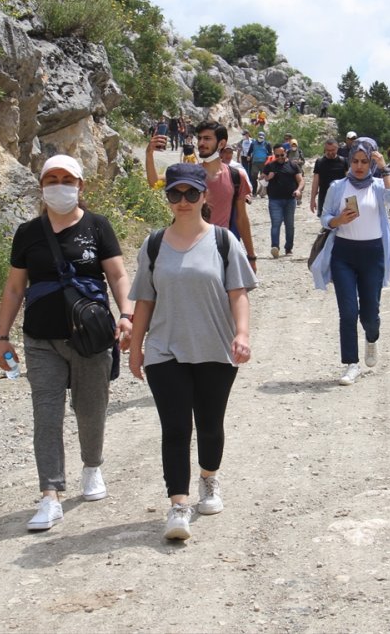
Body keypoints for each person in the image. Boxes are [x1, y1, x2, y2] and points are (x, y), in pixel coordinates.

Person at [0, 154, 134, 532]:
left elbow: (118, 275)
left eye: (66, 179)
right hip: (41, 339)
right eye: (51, 178)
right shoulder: (28, 233)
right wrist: (1, 336)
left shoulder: (97, 226)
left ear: (80, 185)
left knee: (90, 409)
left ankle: (92, 467)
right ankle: (50, 494)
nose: (59, 185)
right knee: (47, 415)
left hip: (90, 338)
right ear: (41, 186)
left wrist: (126, 315)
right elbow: (14, 287)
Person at [128, 163, 257, 541]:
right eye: (174, 194)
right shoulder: (153, 245)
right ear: (167, 197)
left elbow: (239, 294)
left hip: (215, 347)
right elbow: (144, 303)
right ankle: (178, 506)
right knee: (176, 427)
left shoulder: (223, 241)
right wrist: (136, 349)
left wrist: (243, 334)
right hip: (165, 350)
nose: (182, 201)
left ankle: (209, 479)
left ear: (204, 197)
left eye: (190, 194)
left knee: (210, 424)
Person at [309, 138, 390, 386]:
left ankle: (372, 338)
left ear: (371, 162)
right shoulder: (338, 186)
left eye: (365, 161)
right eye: (355, 161)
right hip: (344, 255)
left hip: (372, 255)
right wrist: (338, 221)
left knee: (370, 314)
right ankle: (351, 364)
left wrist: (385, 168)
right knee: (348, 312)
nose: (359, 166)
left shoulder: (379, 186)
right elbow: (325, 217)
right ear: (349, 161)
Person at [147, 120, 258, 271]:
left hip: (220, 248)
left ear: (221, 143)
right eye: (199, 138)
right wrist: (149, 153)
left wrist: (251, 256)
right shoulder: (189, 174)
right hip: (189, 247)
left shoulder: (236, 176)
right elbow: (154, 183)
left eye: (207, 139)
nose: (201, 143)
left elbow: (241, 218)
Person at [259, 144, 304, 258]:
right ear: (274, 154)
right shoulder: (269, 166)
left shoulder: (293, 166)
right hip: (275, 200)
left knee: (289, 225)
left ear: (286, 153)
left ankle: (288, 248)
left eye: (282, 155)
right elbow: (261, 181)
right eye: (277, 155)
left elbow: (301, 181)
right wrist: (268, 177)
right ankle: (275, 247)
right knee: (276, 223)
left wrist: (298, 190)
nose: (280, 157)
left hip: (290, 200)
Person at [309, 138, 349, 216]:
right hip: (324, 197)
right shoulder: (319, 162)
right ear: (325, 149)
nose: (330, 152)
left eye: (333, 150)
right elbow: (315, 182)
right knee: (326, 222)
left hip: (340, 197)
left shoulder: (344, 161)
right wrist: (312, 200)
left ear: (337, 149)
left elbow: (349, 181)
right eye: (328, 150)